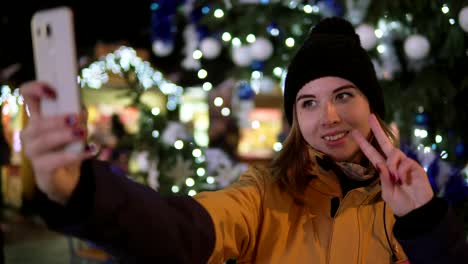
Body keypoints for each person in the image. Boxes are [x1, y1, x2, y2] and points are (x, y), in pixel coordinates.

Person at [20, 17, 467, 263]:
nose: (327, 117)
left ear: (372, 104)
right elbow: (185, 232)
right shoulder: (264, 193)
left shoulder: (416, 200)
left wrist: (425, 224)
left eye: (344, 95)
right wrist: (81, 193)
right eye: (308, 103)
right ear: (294, 117)